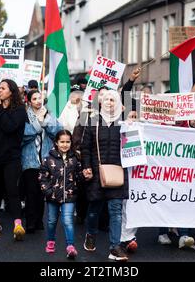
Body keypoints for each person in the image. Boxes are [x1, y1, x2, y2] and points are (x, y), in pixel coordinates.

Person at [81, 90, 129, 262]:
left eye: (113, 99)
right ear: (101, 102)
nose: (109, 102)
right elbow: (85, 148)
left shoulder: (124, 123)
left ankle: (114, 247)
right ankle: (91, 233)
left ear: (118, 103)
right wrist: (86, 167)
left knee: (115, 211)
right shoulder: (93, 121)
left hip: (118, 171)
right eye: (107, 99)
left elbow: (132, 146)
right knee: (94, 209)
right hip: (96, 172)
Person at [0, 79, 27, 240]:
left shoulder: (20, 111)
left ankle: (17, 224)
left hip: (11, 158)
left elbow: (9, 127)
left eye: (2, 88)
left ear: (11, 91)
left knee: (12, 191)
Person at [22, 90, 62, 233]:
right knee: (30, 192)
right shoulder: (25, 115)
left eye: (40, 98)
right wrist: (37, 124)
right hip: (29, 159)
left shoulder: (49, 114)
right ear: (29, 101)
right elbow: (24, 135)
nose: (38, 101)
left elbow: (58, 132)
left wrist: (45, 121)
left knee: (42, 192)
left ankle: (39, 220)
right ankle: (30, 222)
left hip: (45, 158)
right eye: (34, 98)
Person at [39, 130, 83, 259]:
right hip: (52, 196)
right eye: (62, 142)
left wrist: (83, 175)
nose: (65, 144)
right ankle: (50, 241)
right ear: (56, 143)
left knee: (68, 220)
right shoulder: (48, 159)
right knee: (52, 221)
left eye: (67, 142)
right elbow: (42, 178)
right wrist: (48, 192)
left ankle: (70, 246)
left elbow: (78, 176)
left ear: (71, 143)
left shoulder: (75, 158)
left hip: (69, 196)